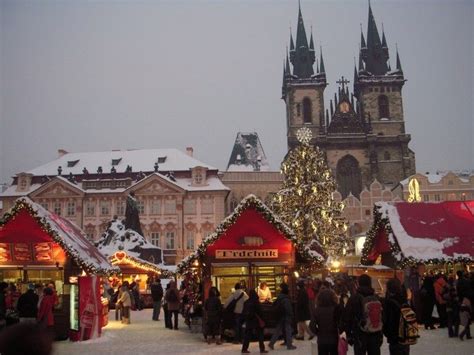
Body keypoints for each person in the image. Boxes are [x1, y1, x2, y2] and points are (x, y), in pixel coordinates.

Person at [344, 274, 383, 355]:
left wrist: (349, 334)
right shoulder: (376, 298)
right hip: (375, 333)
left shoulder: (354, 298)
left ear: (358, 283)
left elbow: (347, 317)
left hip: (359, 334)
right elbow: (382, 316)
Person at [383, 278, 410, 355]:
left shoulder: (390, 303)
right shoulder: (404, 300)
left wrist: (387, 333)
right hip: (405, 335)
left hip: (395, 338)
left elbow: (388, 321)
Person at [268, 283, 296, 351]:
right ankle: (289, 345)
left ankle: (271, 343)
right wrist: (291, 315)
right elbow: (288, 309)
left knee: (278, 330)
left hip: (280, 316)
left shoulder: (279, 297)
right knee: (288, 330)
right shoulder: (286, 299)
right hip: (286, 317)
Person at [313, 288, 341, 355]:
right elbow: (341, 323)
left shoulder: (317, 310)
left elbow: (312, 326)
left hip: (321, 339)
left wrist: (318, 332)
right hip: (334, 338)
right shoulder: (336, 308)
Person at [241, 289, 268, 354]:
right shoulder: (256, 302)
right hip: (256, 320)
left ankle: (244, 349)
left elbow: (243, 312)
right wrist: (263, 320)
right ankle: (262, 349)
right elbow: (260, 312)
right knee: (260, 335)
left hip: (249, 320)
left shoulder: (246, 302)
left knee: (247, 335)